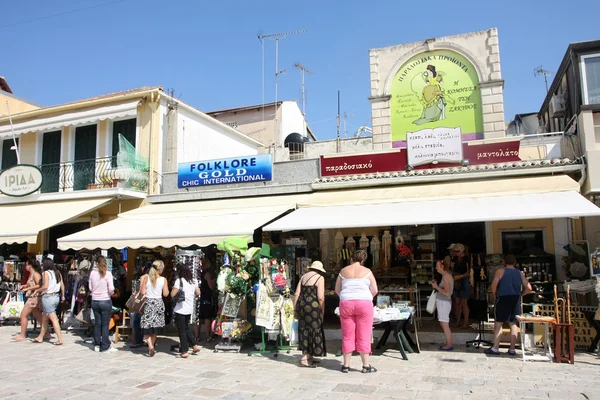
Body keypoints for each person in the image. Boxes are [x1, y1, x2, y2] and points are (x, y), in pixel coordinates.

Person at [335, 249, 378, 374]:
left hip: (346, 303)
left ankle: (346, 365)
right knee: (364, 334)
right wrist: (366, 297)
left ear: (351, 259)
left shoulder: (343, 271)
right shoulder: (367, 272)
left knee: (347, 334)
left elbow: (337, 290)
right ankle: (365, 365)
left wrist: (347, 296)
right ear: (363, 260)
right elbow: (374, 290)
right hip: (364, 304)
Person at [485, 254, 532, 356]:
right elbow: (529, 287)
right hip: (515, 299)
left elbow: (493, 286)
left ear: (505, 262)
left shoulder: (500, 271)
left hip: (503, 298)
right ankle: (512, 349)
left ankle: (496, 348)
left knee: (499, 323)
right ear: (515, 263)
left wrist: (495, 294)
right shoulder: (519, 273)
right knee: (513, 323)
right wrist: (521, 294)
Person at [293, 260, 327, 367]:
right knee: (314, 330)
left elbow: (297, 294)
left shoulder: (303, 277)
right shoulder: (320, 278)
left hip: (303, 306)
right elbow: (321, 297)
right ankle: (306, 358)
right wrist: (322, 311)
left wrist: (295, 309)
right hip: (314, 307)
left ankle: (308, 354)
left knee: (305, 329)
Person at [31, 258, 64, 345]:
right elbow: (62, 285)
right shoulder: (57, 273)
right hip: (56, 296)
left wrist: (37, 291)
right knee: (45, 318)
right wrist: (63, 296)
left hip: (48, 297)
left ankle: (60, 338)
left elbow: (45, 286)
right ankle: (41, 336)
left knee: (54, 319)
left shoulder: (46, 273)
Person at [171, 263, 200, 358]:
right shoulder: (194, 281)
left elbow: (172, 294)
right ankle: (194, 346)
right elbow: (198, 292)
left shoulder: (179, 281)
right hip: (189, 308)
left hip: (180, 309)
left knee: (181, 330)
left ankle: (184, 351)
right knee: (186, 328)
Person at [140, 260, 169, 357]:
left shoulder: (146, 278)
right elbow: (165, 294)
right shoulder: (163, 279)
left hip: (149, 303)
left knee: (146, 326)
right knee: (155, 327)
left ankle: (150, 346)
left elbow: (142, 292)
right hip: (158, 303)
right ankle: (151, 346)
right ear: (160, 269)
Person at [13, 259, 44, 342]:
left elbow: (39, 285)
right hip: (32, 297)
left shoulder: (36, 274)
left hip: (34, 297)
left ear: (30, 265)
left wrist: (28, 288)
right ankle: (46, 332)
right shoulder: (31, 274)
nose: (25, 266)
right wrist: (24, 286)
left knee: (23, 315)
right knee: (38, 316)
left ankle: (22, 335)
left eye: (26, 265)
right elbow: (31, 283)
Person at [89, 256, 115, 352]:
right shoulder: (108, 274)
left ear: (96, 263)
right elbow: (111, 288)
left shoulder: (92, 274)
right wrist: (110, 293)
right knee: (105, 324)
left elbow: (90, 287)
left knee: (97, 323)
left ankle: (97, 344)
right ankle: (105, 345)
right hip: (105, 300)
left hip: (95, 300)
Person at [432, 259, 454, 351]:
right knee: (443, 323)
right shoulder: (446, 276)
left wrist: (436, 287)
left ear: (442, 266)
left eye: (437, 266)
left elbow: (447, 292)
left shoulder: (446, 277)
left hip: (444, 302)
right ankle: (448, 343)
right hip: (444, 302)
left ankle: (449, 344)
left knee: (445, 324)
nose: (436, 268)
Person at [129, 261, 151, 349]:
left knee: (136, 321)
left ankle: (138, 340)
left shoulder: (143, 277)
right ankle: (150, 341)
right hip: (152, 301)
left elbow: (141, 290)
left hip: (142, 301)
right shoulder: (155, 277)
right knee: (149, 322)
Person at [450, 243, 471, 328]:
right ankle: (458, 321)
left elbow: (468, 271)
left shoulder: (466, 258)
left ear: (461, 251)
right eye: (454, 251)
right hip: (456, 280)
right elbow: (451, 269)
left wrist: (460, 276)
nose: (456, 253)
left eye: (457, 251)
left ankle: (465, 322)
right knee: (457, 302)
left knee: (464, 302)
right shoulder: (454, 258)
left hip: (464, 279)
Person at [197, 259, 217, 342]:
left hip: (199, 296)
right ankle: (208, 336)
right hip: (207, 296)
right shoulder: (207, 274)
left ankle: (197, 336)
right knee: (207, 317)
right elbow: (211, 286)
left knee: (199, 317)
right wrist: (215, 280)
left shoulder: (198, 273)